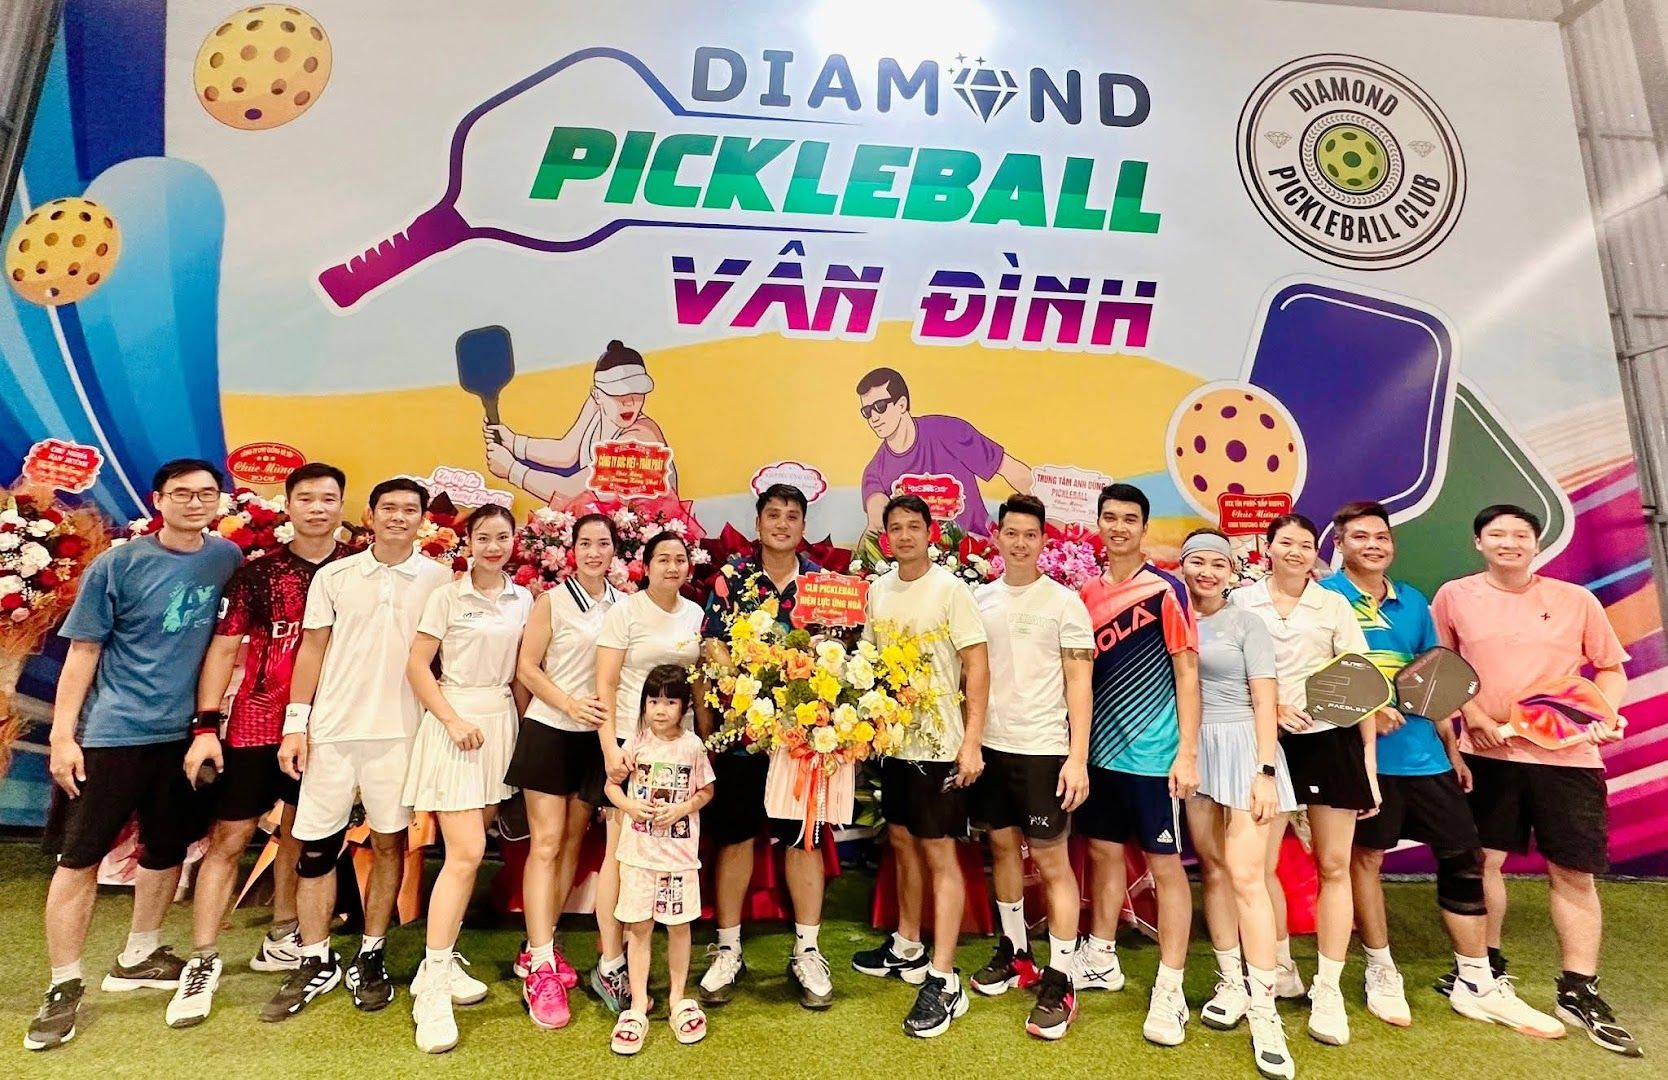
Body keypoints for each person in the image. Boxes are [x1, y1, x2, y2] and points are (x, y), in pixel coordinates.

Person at [1325, 501, 1562, 1039]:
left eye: (1381, 536)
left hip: (1425, 757)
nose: (1373, 545)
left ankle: (1475, 980)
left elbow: (1432, 678)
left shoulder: (1413, 601)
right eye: (1360, 537)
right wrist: (1366, 708)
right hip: (1362, 760)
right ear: (1340, 544)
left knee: (1464, 856)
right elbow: (1314, 673)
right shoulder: (1324, 598)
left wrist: (1452, 750)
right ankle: (1380, 970)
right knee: (1365, 860)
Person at [29, 459, 241, 1052]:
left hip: (185, 737)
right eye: (182, 493)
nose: (195, 503)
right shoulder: (117, 564)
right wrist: (64, 737)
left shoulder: (226, 557)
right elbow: (83, 653)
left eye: (206, 493)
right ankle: (63, 985)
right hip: (113, 734)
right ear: (158, 500)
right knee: (80, 858)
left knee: (166, 847)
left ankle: (139, 953)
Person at [1431, 504, 1638, 1056]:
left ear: (1536, 544)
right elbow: (1442, 665)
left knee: (1573, 873)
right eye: (1496, 534)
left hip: (1568, 761)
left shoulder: (1576, 600)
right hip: (1486, 756)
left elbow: (1610, 669)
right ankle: (1485, 970)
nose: (1509, 542)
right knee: (1483, 862)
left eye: (1520, 534)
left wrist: (1601, 714)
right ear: (1478, 543)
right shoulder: (1454, 596)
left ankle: (1578, 989)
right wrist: (1475, 717)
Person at [167, 462, 353, 1030]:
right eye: (306, 498)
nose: (317, 508)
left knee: (301, 832)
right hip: (256, 722)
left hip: (327, 728)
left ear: (342, 506)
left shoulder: (358, 571)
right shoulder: (256, 575)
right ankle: (202, 959)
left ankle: (282, 935)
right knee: (231, 839)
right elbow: (224, 649)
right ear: (288, 505)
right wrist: (206, 726)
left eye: (328, 499)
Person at [264, 478, 452, 1022]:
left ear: (422, 519)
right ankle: (315, 958)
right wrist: (297, 725)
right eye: (388, 508)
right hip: (332, 733)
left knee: (390, 844)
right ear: (369, 515)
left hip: (400, 734)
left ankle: (372, 953)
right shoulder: (335, 575)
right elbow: (311, 650)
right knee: (316, 849)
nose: (398, 517)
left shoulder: (440, 580)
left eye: (410, 509)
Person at [1231, 513, 1376, 1049]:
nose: (1295, 551)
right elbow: (1228, 673)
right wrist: (1275, 708)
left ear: (1316, 552)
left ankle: (1329, 988)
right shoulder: (1242, 601)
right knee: (1261, 864)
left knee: (1334, 866)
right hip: (1265, 742)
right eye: (1285, 542)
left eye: (1305, 544)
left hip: (1329, 743)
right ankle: (1280, 965)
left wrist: (1367, 768)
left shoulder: (1333, 605)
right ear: (1267, 548)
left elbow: (1361, 679)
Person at [850, 494, 990, 1039]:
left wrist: (971, 743)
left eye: (914, 526)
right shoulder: (879, 589)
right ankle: (907, 946)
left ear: (931, 532)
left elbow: (977, 666)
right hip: (894, 744)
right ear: (885, 536)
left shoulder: (952, 590)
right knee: (902, 842)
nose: (905, 535)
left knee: (940, 856)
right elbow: (869, 662)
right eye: (896, 528)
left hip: (940, 747)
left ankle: (944, 976)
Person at [694, 484, 835, 1009]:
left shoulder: (822, 584)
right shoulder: (733, 578)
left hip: (802, 740)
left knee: (803, 842)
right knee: (735, 839)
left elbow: (841, 651)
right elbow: (711, 645)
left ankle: (808, 951)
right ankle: (728, 948)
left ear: (803, 527)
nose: (781, 523)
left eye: (792, 516)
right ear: (758, 523)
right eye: (772, 514)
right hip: (742, 738)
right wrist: (739, 699)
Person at [1073, 483, 1200, 1048]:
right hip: (1100, 756)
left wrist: (1186, 752)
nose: (1119, 527)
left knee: (1165, 867)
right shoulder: (1085, 593)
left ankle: (1171, 987)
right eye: (1110, 517)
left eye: (1130, 518)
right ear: (1099, 524)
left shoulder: (1167, 590)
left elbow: (1187, 674)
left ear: (1144, 528)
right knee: (1102, 854)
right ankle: (1101, 956)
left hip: (1154, 759)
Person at [402, 504, 533, 1052]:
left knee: (472, 853)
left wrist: (526, 734)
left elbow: (523, 674)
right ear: (469, 543)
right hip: (456, 724)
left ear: (514, 542)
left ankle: (440, 958)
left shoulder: (524, 598)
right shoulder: (447, 596)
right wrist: (451, 720)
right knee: (467, 853)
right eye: (483, 537)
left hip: (500, 726)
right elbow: (417, 666)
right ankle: (432, 986)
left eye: (502, 537)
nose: (493, 546)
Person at [966, 495, 1093, 1041]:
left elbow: (1080, 684)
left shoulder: (1066, 603)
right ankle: (1016, 953)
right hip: (990, 748)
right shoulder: (978, 600)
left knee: (1052, 862)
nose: (1020, 543)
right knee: (1001, 850)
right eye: (1011, 533)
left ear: (1044, 541)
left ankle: (1061, 979)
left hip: (1044, 750)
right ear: (996, 537)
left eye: (1030, 535)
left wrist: (1077, 757)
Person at [1176, 528, 1298, 1079]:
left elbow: (1266, 699)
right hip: (1195, 752)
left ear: (1232, 571)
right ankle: (1231, 983)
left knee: (1249, 877)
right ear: (1182, 566)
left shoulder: (1248, 622)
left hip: (1248, 749)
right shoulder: (1173, 619)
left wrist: (1265, 771)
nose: (1206, 572)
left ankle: (1266, 1009)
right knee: (1215, 871)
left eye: (1217, 564)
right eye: (1196, 562)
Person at [507, 512, 623, 1029]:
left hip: (594, 739)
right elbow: (526, 668)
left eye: (604, 543)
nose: (594, 552)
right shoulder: (551, 601)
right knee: (547, 843)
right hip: (550, 729)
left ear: (616, 551)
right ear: (572, 550)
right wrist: (569, 704)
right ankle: (541, 963)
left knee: (573, 842)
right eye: (586, 543)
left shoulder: (623, 605)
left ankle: (541, 944)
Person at [592, 532, 705, 1013]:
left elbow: (699, 684)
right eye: (662, 559)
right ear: (646, 565)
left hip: (679, 748)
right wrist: (610, 749)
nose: (672, 567)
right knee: (621, 854)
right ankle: (612, 962)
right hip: (629, 743)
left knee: (667, 850)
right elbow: (605, 682)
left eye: (680, 559)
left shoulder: (695, 614)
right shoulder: (626, 612)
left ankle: (667, 977)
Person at [604, 664, 717, 1055]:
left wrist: (682, 808)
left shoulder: (693, 746)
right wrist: (630, 807)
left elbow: (706, 791)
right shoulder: (635, 743)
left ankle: (677, 999)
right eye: (653, 701)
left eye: (669, 702)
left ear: (684, 707)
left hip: (679, 859)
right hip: (637, 857)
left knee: (679, 927)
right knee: (639, 928)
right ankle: (638, 1004)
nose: (660, 710)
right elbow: (611, 787)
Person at [486, 339, 678, 502]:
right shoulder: (596, 406)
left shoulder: (641, 437)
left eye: (637, 392)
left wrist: (513, 470)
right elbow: (566, 451)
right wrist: (513, 442)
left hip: (646, 529)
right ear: (597, 394)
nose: (629, 402)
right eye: (617, 393)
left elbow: (572, 491)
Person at [856, 366, 1031, 537]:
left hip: (979, 548)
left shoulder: (951, 432)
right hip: (917, 555)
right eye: (867, 411)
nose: (874, 417)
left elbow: (1014, 472)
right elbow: (876, 523)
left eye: (880, 406)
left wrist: (1044, 524)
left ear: (902, 404)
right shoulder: (875, 471)